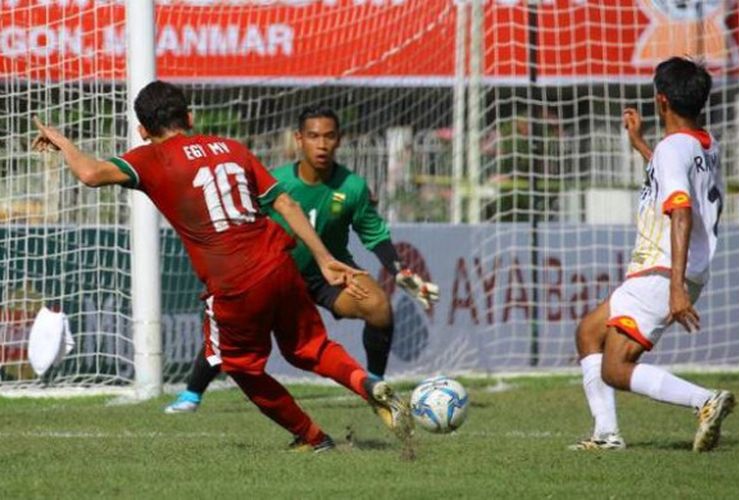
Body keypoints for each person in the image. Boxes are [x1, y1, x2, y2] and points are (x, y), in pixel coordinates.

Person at [32, 81, 413, 452]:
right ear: (191, 117)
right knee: (309, 346)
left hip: (235, 282)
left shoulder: (151, 157)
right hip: (280, 262)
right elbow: (285, 205)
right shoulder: (232, 148)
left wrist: (64, 142)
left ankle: (313, 438)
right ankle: (365, 383)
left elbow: (90, 174)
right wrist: (325, 258)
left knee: (241, 366)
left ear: (142, 130)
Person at [165, 106, 439, 414]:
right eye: (313, 136)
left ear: (339, 140)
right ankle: (191, 395)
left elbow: (374, 235)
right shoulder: (276, 182)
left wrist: (399, 271)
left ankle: (375, 386)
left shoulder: (353, 187)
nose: (321, 144)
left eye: (329, 136)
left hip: (328, 276)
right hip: (274, 276)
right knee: (231, 335)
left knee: (378, 306)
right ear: (299, 139)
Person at [571, 57, 735, 452]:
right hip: (669, 269)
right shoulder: (701, 145)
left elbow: (680, 211)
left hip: (663, 271)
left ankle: (704, 400)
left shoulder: (673, 148)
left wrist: (676, 287)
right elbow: (672, 178)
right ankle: (606, 434)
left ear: (661, 101)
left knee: (614, 368)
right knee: (589, 333)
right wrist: (641, 145)